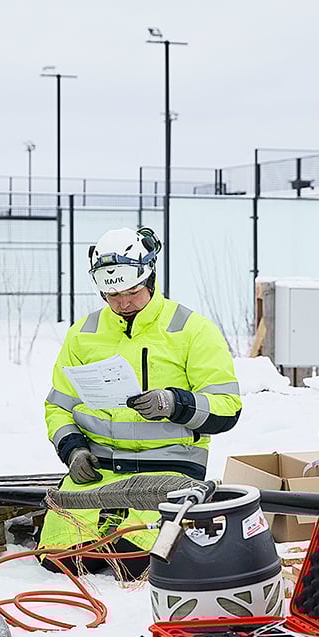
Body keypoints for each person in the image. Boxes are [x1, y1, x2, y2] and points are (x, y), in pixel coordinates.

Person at [40, 227, 242, 573]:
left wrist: (175, 403)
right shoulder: (82, 333)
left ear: (150, 276)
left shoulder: (192, 329)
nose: (123, 302)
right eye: (112, 294)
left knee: (135, 562)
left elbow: (227, 408)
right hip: (96, 473)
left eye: (132, 291)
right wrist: (72, 448)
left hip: (167, 474)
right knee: (60, 561)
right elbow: (58, 406)